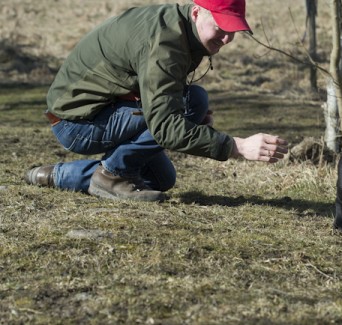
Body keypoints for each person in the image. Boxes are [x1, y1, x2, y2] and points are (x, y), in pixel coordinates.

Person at [25, 0, 288, 202]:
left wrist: (190, 114)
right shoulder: (166, 43)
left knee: (161, 178)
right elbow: (165, 127)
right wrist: (236, 146)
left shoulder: (180, 27)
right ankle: (112, 176)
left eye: (233, 30)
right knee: (193, 102)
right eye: (221, 27)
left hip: (99, 109)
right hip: (75, 122)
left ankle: (62, 175)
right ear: (197, 12)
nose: (227, 38)